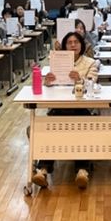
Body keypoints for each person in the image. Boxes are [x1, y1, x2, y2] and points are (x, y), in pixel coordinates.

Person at [33, 31, 99, 189]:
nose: (73, 45)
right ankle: (43, 170)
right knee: (50, 128)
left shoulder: (90, 62)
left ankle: (82, 170)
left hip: (82, 108)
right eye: (69, 42)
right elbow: (47, 88)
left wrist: (80, 80)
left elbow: (93, 83)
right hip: (60, 107)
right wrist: (48, 82)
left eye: (76, 42)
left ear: (82, 45)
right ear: (64, 46)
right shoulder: (56, 61)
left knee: (82, 129)